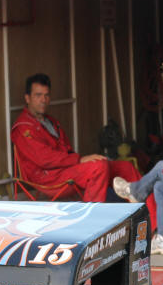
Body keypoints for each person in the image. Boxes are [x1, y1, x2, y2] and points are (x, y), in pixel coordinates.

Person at [11, 73, 113, 202]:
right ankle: (92, 213)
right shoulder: (23, 127)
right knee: (98, 167)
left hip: (64, 170)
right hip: (47, 177)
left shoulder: (52, 122)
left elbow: (67, 150)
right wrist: (79, 160)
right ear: (27, 98)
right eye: (38, 95)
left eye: (46, 95)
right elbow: (45, 159)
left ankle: (137, 210)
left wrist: (82, 161)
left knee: (122, 166)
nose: (43, 100)